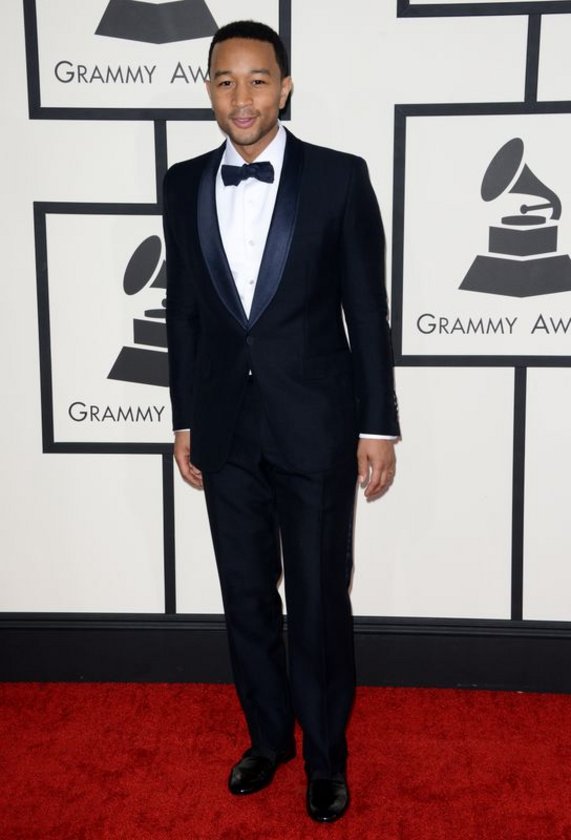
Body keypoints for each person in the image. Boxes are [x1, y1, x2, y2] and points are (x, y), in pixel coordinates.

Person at [163, 20, 400, 823]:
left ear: (284, 87)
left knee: (319, 600)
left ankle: (326, 758)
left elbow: (365, 310)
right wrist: (185, 417)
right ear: (208, 89)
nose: (241, 97)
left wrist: (376, 425)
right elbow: (183, 311)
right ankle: (268, 740)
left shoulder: (337, 177)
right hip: (224, 430)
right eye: (224, 80)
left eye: (257, 80)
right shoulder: (183, 184)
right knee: (245, 598)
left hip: (317, 428)